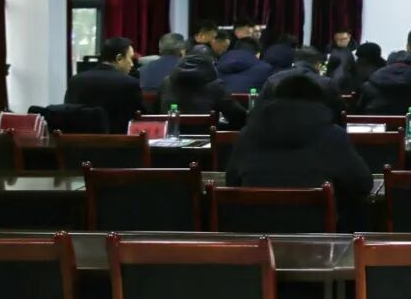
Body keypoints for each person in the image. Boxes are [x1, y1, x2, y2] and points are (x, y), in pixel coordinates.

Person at [226, 75, 373, 231]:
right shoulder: (333, 135)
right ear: (319, 102)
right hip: (318, 236)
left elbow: (232, 182)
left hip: (255, 233)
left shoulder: (248, 134)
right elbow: (362, 184)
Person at [64, 37, 142, 134]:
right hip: (117, 141)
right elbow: (140, 117)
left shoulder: (75, 81)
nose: (132, 64)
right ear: (119, 58)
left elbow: (67, 113)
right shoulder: (130, 83)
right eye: (130, 58)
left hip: (78, 141)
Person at [159, 54, 247, 130]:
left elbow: (156, 112)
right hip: (208, 139)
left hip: (170, 137)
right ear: (210, 67)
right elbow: (238, 116)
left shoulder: (166, 83)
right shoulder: (215, 86)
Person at [260, 47, 344, 123]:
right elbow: (337, 111)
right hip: (316, 129)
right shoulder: (327, 83)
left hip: (277, 129)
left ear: (294, 62)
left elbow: (260, 109)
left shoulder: (273, 80)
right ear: (317, 65)